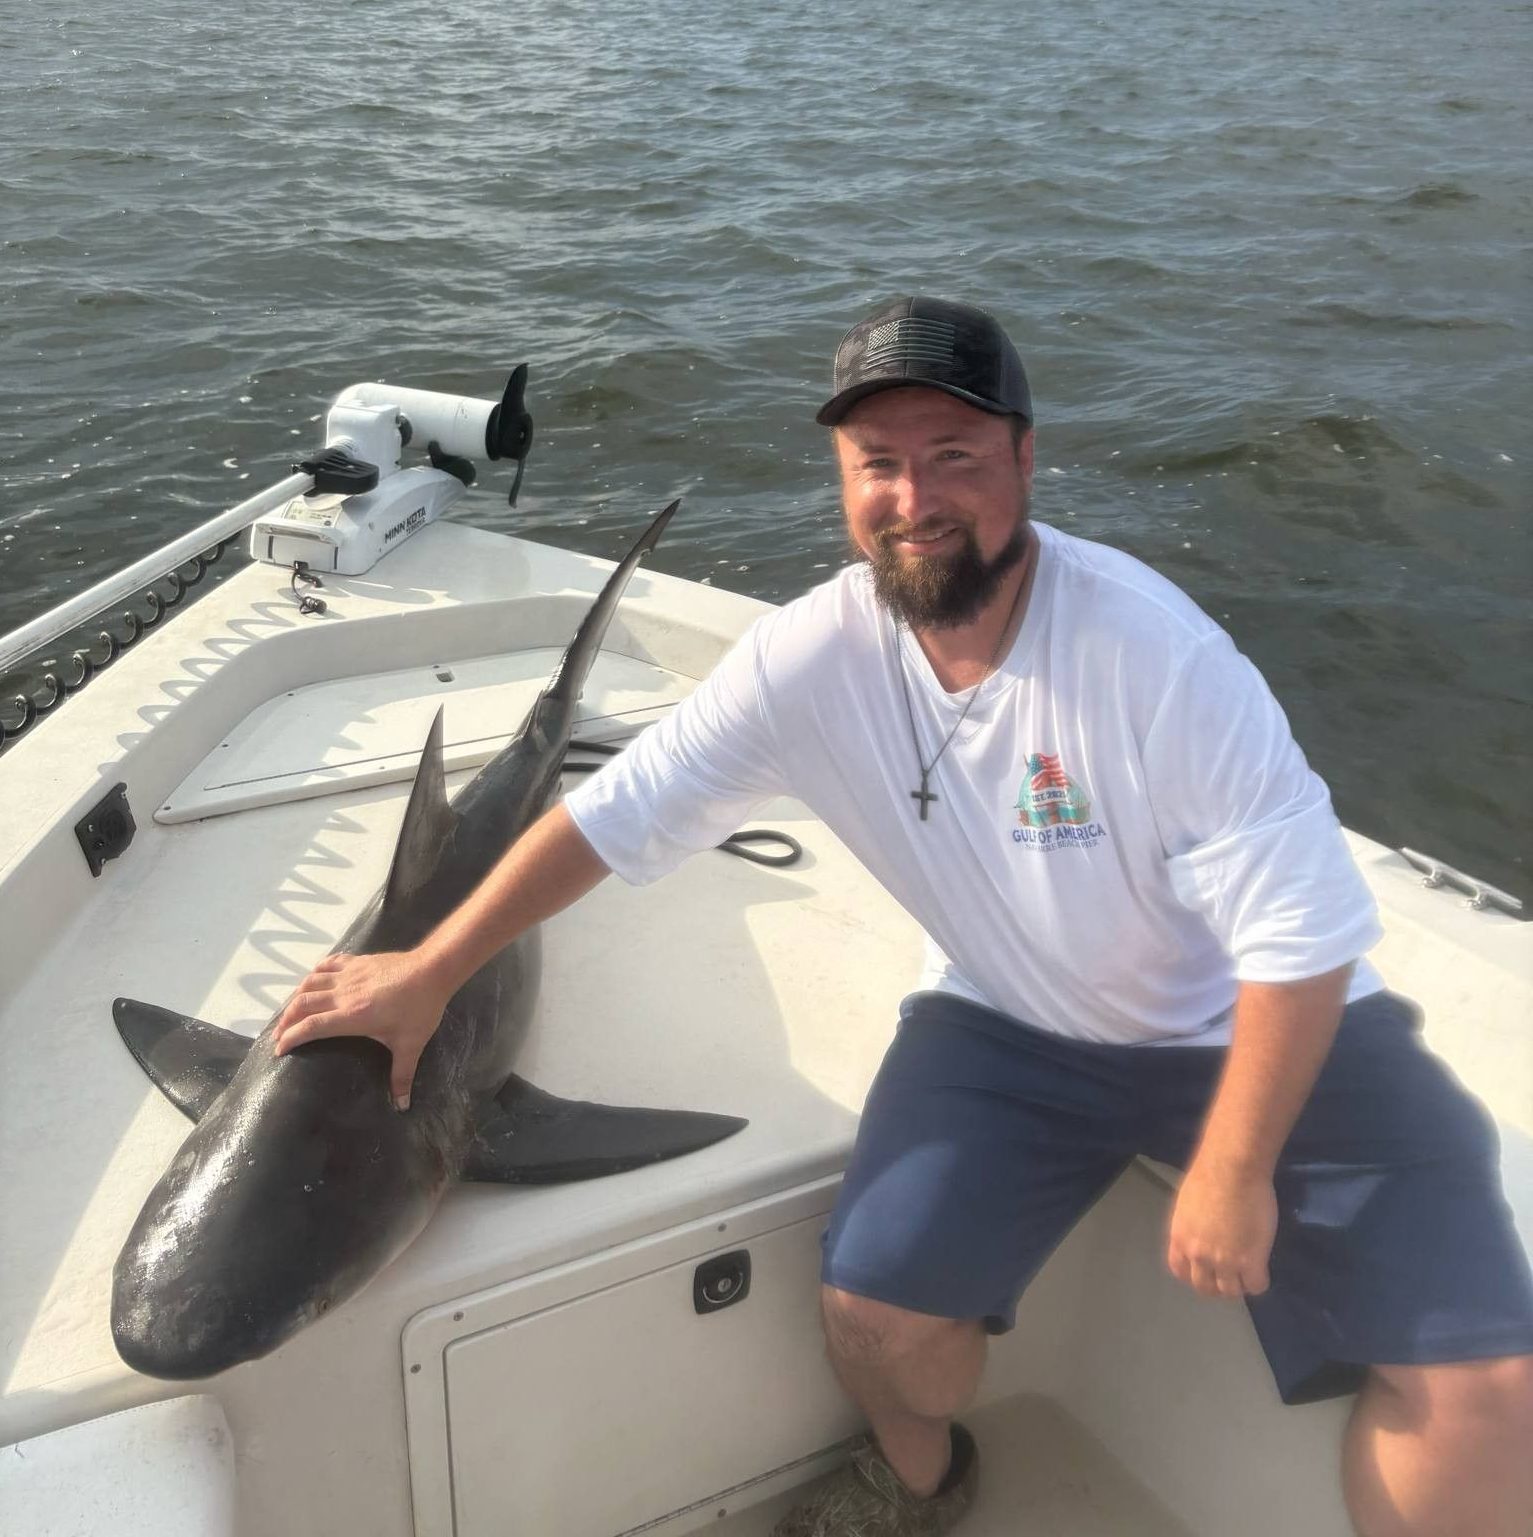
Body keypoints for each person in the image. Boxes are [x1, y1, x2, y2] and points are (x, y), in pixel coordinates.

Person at [274, 297, 1533, 1537]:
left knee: (1492, 1391)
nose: (913, 496)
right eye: (879, 461)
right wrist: (429, 973)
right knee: (872, 1316)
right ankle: (918, 1481)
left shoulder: (1156, 657)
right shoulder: (808, 659)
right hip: (1008, 1017)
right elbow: (616, 814)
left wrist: (1238, 1164)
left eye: (955, 456)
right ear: (841, 475)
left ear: (1025, 462)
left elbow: (1303, 940)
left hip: (1255, 1021)